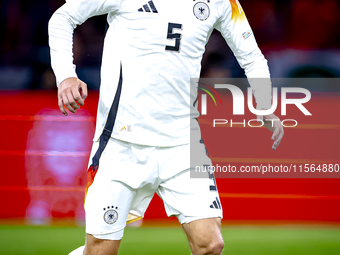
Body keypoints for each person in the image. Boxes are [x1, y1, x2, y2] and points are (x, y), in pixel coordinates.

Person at [48, 0, 284, 254]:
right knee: (100, 250)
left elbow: (250, 54)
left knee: (210, 245)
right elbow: (62, 18)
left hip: (183, 145)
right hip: (122, 143)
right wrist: (66, 76)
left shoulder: (222, 2)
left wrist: (264, 103)